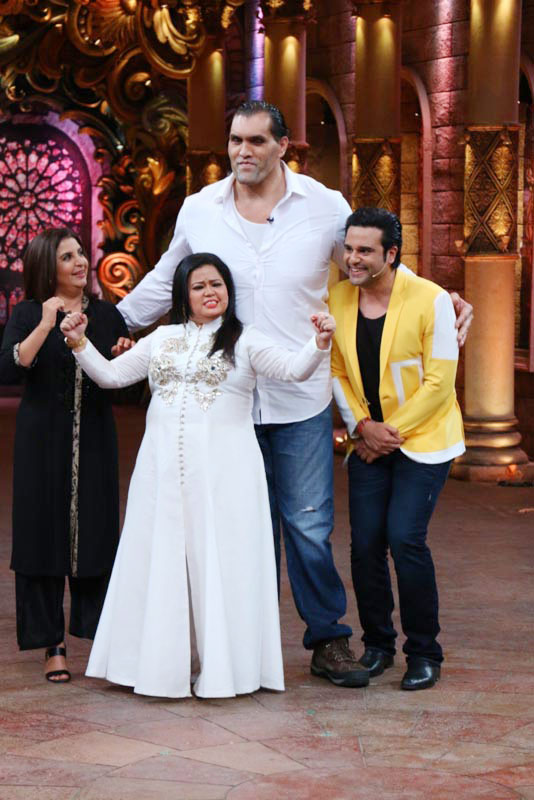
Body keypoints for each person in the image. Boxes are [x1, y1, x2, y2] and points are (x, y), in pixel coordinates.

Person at [115, 100, 473, 688]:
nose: (242, 151)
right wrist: (112, 323)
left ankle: (328, 640)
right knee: (236, 527)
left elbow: (368, 267)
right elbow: (166, 279)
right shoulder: (200, 208)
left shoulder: (325, 207)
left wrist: (443, 299)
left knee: (308, 527)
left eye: (257, 141)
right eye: (236, 140)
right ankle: (236, 649)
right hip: (225, 400)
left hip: (299, 397)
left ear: (284, 146)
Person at [59, 252, 336, 698]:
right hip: (162, 471)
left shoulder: (245, 339)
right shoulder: (162, 338)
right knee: (161, 555)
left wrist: (318, 343)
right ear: (183, 296)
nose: (210, 293)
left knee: (221, 559)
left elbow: (292, 370)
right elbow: (111, 376)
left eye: (217, 284)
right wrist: (79, 344)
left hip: (227, 472)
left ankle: (226, 668)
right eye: (199, 286)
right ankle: (157, 666)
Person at [329, 207, 465, 691]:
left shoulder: (431, 299)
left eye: (364, 250)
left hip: (424, 440)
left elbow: (439, 384)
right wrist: (362, 426)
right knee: (365, 543)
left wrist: (386, 433)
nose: (353, 258)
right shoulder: (338, 297)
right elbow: (337, 370)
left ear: (391, 253)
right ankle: (378, 646)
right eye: (349, 248)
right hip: (369, 437)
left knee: (405, 538)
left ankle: (424, 652)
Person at [0, 228, 131, 682]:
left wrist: (123, 353)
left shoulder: (107, 315)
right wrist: (45, 323)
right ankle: (51, 643)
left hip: (95, 437)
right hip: (40, 439)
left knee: (95, 530)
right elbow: (9, 368)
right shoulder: (27, 313)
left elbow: (120, 382)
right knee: (41, 534)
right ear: (47, 266)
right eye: (67, 257)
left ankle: (98, 637)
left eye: (80, 253)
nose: (80, 262)